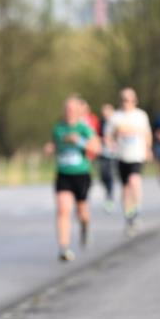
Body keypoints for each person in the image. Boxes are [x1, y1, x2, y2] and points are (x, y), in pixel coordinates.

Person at [44, 96, 100, 261]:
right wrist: (49, 148)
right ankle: (64, 247)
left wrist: (80, 141)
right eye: (66, 109)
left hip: (81, 174)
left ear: (78, 111)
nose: (69, 112)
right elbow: (54, 145)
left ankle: (85, 227)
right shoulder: (58, 128)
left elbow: (96, 148)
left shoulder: (84, 128)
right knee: (63, 210)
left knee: (82, 211)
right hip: (63, 174)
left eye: (72, 109)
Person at [104, 88, 152, 235]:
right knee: (125, 189)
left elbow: (147, 133)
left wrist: (148, 149)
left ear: (135, 101)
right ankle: (129, 216)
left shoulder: (141, 115)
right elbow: (107, 135)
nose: (127, 103)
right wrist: (110, 144)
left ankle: (136, 211)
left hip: (136, 156)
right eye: (124, 100)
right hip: (121, 156)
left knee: (134, 181)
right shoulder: (116, 117)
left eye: (130, 100)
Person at [97, 103, 117, 211]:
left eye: (107, 112)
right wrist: (102, 140)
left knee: (110, 176)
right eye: (104, 113)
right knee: (103, 176)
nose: (105, 115)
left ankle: (110, 196)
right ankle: (107, 191)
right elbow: (95, 137)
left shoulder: (116, 123)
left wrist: (114, 142)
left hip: (114, 154)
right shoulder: (100, 123)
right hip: (103, 153)